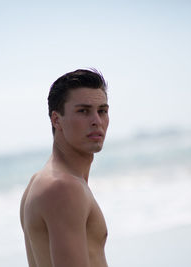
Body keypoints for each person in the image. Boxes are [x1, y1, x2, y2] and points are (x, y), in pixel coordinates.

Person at [20, 69, 110, 267]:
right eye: (83, 111)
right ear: (56, 120)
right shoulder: (63, 188)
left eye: (102, 110)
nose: (97, 121)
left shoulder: (39, 182)